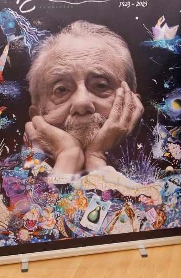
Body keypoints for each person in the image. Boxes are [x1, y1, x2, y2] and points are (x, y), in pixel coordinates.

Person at [24, 20, 144, 174]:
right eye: (61, 89)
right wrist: (69, 156)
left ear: (133, 107)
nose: (82, 102)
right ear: (37, 116)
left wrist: (95, 157)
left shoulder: (165, 178)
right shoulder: (4, 180)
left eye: (101, 85)